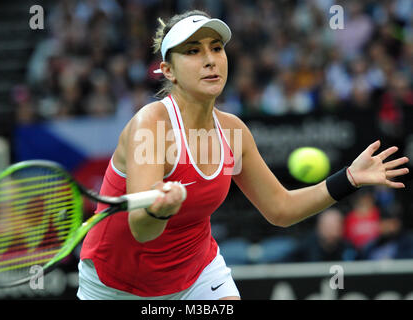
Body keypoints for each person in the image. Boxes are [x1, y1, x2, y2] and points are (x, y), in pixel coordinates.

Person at [77, 10, 410, 300]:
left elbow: (280, 209)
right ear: (168, 71)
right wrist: (161, 210)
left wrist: (349, 179)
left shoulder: (233, 132)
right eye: (193, 51)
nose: (210, 59)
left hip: (197, 272)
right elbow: (142, 229)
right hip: (115, 284)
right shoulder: (151, 125)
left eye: (216, 48)